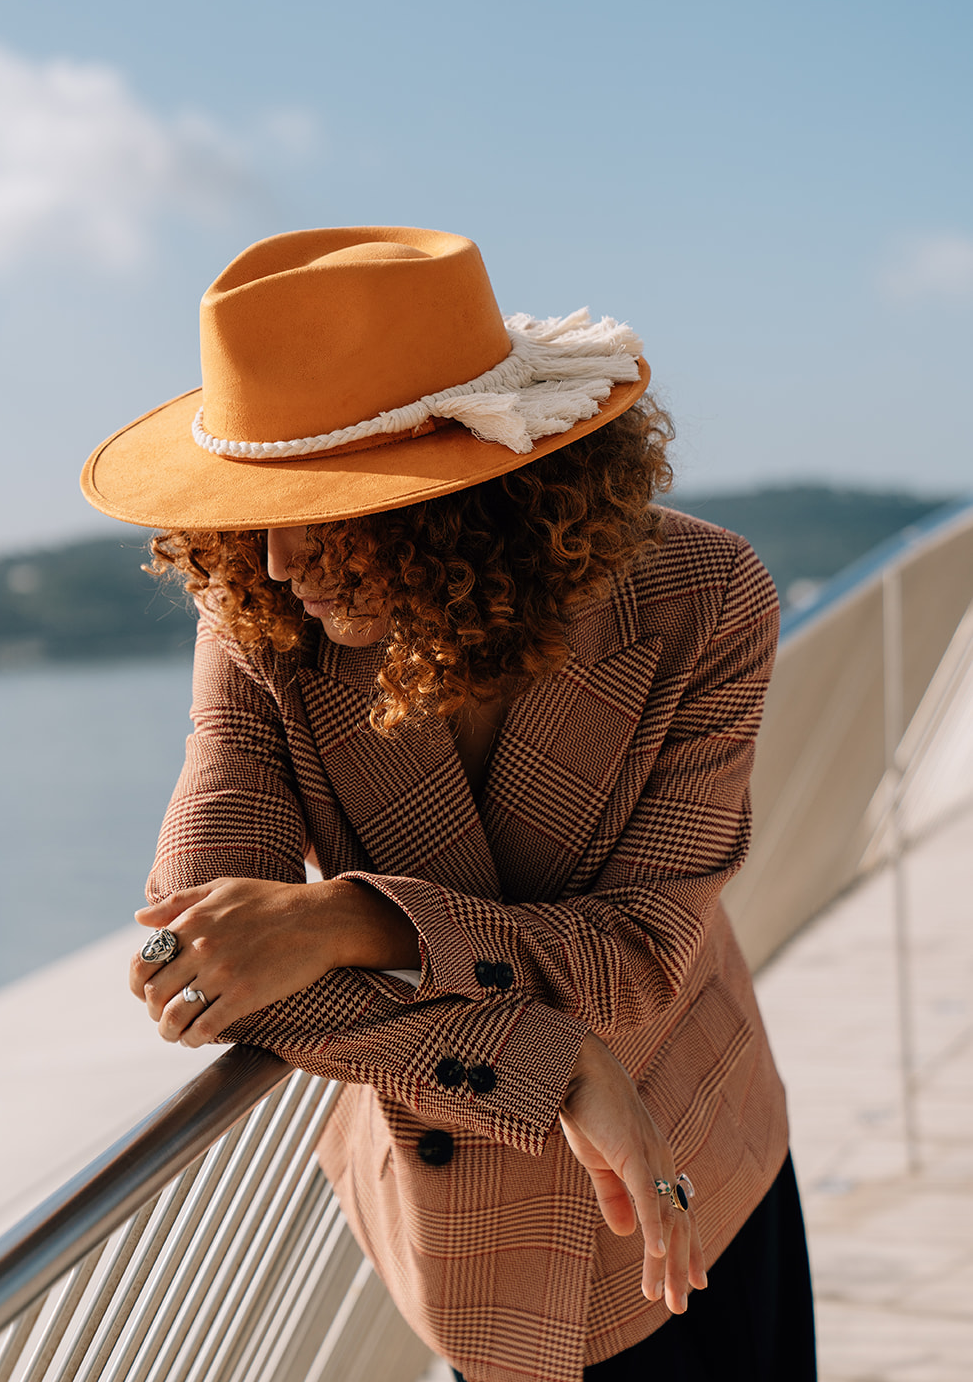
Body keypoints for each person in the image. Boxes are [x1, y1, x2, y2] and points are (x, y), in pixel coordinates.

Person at [82, 227, 815, 1382]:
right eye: (252, 506)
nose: (275, 563)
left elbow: (632, 957)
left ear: (472, 501)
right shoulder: (259, 628)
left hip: (692, 1160)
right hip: (463, 1222)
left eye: (326, 508)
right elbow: (199, 952)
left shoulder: (703, 602)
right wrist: (553, 1065)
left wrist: (347, 921)